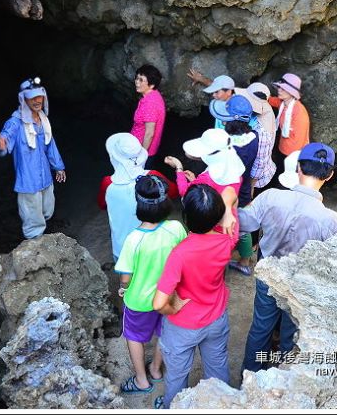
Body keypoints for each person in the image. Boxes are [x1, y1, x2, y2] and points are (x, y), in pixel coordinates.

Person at [238, 143, 337, 374]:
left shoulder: (271, 197)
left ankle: (250, 375)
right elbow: (335, 259)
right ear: (330, 175)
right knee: (291, 333)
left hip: (268, 274)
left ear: (298, 168)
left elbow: (243, 223)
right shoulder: (329, 219)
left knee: (261, 327)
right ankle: (284, 378)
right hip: (301, 284)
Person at [152, 184, 238, 409]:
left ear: (186, 218)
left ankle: (174, 405)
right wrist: (227, 211)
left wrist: (173, 308)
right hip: (216, 318)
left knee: (177, 376)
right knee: (218, 370)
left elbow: (159, 303)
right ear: (218, 216)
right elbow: (230, 191)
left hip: (183, 326)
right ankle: (221, 404)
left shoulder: (179, 253)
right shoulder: (228, 237)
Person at [114, 175, 187, 394]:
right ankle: (156, 369)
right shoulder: (175, 228)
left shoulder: (134, 239)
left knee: (133, 336)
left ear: (139, 205)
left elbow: (126, 276)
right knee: (165, 333)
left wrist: (123, 287)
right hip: (167, 295)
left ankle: (141, 380)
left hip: (139, 300)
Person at [0, 77, 66, 238]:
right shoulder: (15, 123)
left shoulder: (43, 120)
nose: (37, 100)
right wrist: (1, 145)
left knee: (48, 208)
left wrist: (58, 167)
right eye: (32, 97)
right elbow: (4, 140)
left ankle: (42, 232)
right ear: (24, 99)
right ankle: (34, 243)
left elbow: (50, 145)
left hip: (45, 176)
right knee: (32, 217)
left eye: (39, 96)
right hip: (28, 179)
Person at [98, 133, 178, 261]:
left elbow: (102, 204)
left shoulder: (108, 183)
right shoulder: (153, 176)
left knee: (126, 279)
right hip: (152, 247)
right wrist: (179, 169)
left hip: (122, 247)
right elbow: (174, 192)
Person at [209, 95, 259, 276]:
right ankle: (245, 262)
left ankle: (217, 265)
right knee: (243, 227)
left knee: (221, 226)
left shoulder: (224, 142)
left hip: (224, 190)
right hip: (244, 188)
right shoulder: (255, 136)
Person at [163, 128, 245, 236]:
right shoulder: (235, 169)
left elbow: (186, 192)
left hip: (210, 224)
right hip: (229, 221)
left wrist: (178, 167)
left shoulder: (207, 178)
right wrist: (195, 181)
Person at [234, 82, 277, 194]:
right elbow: (228, 91)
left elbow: (260, 162)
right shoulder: (264, 105)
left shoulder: (263, 132)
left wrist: (250, 187)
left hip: (257, 178)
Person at [268, 73, 310, 181]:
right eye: (279, 87)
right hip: (282, 148)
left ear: (292, 92)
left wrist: (288, 160)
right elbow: (274, 101)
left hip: (292, 154)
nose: (279, 90)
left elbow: (299, 140)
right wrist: (264, 98)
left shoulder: (299, 112)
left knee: (286, 179)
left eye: (283, 88)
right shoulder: (284, 104)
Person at [131, 64, 166, 170]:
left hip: (142, 151)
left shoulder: (150, 103)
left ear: (151, 85)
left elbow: (149, 134)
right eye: (136, 78)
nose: (137, 82)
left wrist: (141, 156)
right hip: (141, 148)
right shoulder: (154, 95)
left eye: (141, 80)